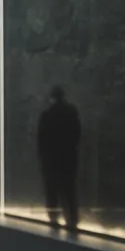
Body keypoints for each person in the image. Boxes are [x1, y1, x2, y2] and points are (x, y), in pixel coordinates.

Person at [36, 85, 81, 230]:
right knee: (68, 189)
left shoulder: (47, 115)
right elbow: (77, 134)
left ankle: (54, 219)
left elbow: (41, 140)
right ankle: (72, 220)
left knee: (52, 190)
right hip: (68, 157)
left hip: (51, 160)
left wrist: (43, 157)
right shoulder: (72, 112)